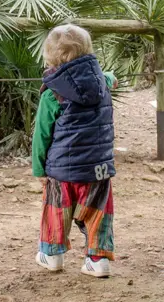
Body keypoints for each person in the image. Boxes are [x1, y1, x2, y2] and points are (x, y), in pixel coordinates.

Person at [32, 24, 117, 278]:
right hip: (98, 168)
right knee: (98, 213)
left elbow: (42, 135)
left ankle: (51, 255)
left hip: (62, 170)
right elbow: (110, 78)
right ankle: (98, 259)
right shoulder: (103, 82)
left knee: (57, 211)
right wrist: (110, 77)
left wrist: (39, 168)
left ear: (51, 57)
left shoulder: (52, 94)